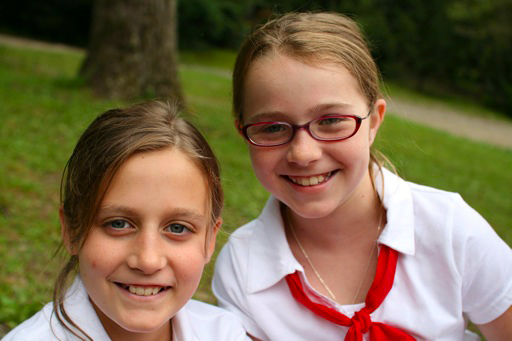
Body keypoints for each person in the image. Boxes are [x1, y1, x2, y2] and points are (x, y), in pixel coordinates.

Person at [212, 12, 512, 341]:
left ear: (373, 122)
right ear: (243, 133)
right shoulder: (243, 266)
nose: (303, 153)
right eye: (271, 127)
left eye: (330, 121)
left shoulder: (450, 230)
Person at [4, 101, 249, 340]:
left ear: (210, 240)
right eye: (118, 224)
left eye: (177, 228)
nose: (148, 260)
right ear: (71, 229)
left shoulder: (224, 332)